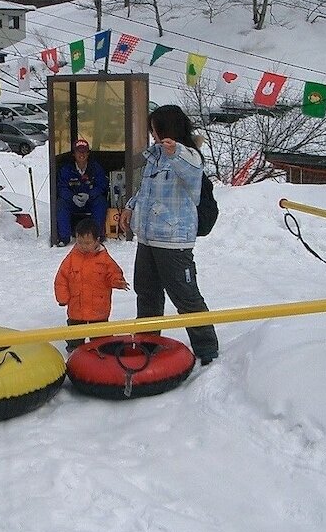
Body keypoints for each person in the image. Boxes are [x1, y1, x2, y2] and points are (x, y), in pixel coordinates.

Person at [118, 105, 219, 365]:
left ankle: (206, 348)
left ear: (167, 129)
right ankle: (147, 343)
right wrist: (130, 207)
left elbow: (190, 169)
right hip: (148, 238)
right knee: (147, 293)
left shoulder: (190, 157)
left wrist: (176, 151)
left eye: (155, 129)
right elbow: (146, 190)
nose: (152, 134)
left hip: (174, 241)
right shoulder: (155, 156)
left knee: (185, 296)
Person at [54, 218, 129, 352]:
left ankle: (102, 353)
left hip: (98, 307)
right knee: (75, 334)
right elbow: (61, 279)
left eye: (87, 243)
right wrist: (62, 297)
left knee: (101, 337)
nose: (83, 246)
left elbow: (114, 273)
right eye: (80, 242)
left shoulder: (105, 259)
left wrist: (117, 282)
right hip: (77, 306)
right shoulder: (71, 259)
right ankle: (74, 352)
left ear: (97, 240)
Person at [55, 138, 108, 247]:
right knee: (61, 203)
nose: (82, 154)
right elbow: (62, 187)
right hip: (73, 202)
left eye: (84, 151)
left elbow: (102, 185)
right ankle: (64, 238)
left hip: (90, 201)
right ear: (74, 154)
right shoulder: (66, 169)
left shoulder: (95, 168)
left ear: (88, 153)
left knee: (101, 202)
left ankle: (97, 236)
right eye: (79, 151)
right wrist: (72, 197)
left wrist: (89, 195)